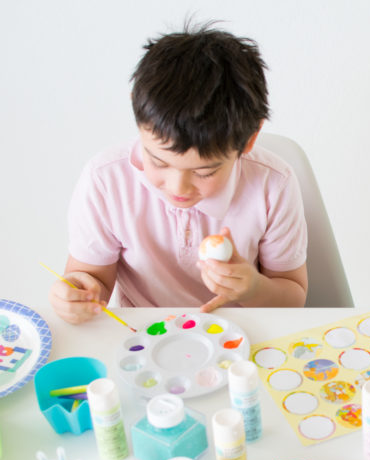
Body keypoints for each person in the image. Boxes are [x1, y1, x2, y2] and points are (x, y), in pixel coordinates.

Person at [50, 23, 308, 324]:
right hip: (143, 336)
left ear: (250, 138)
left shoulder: (273, 185)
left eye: (204, 171)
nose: (177, 187)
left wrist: (252, 288)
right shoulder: (106, 181)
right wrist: (77, 295)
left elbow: (293, 298)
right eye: (158, 162)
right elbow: (92, 280)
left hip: (241, 335)